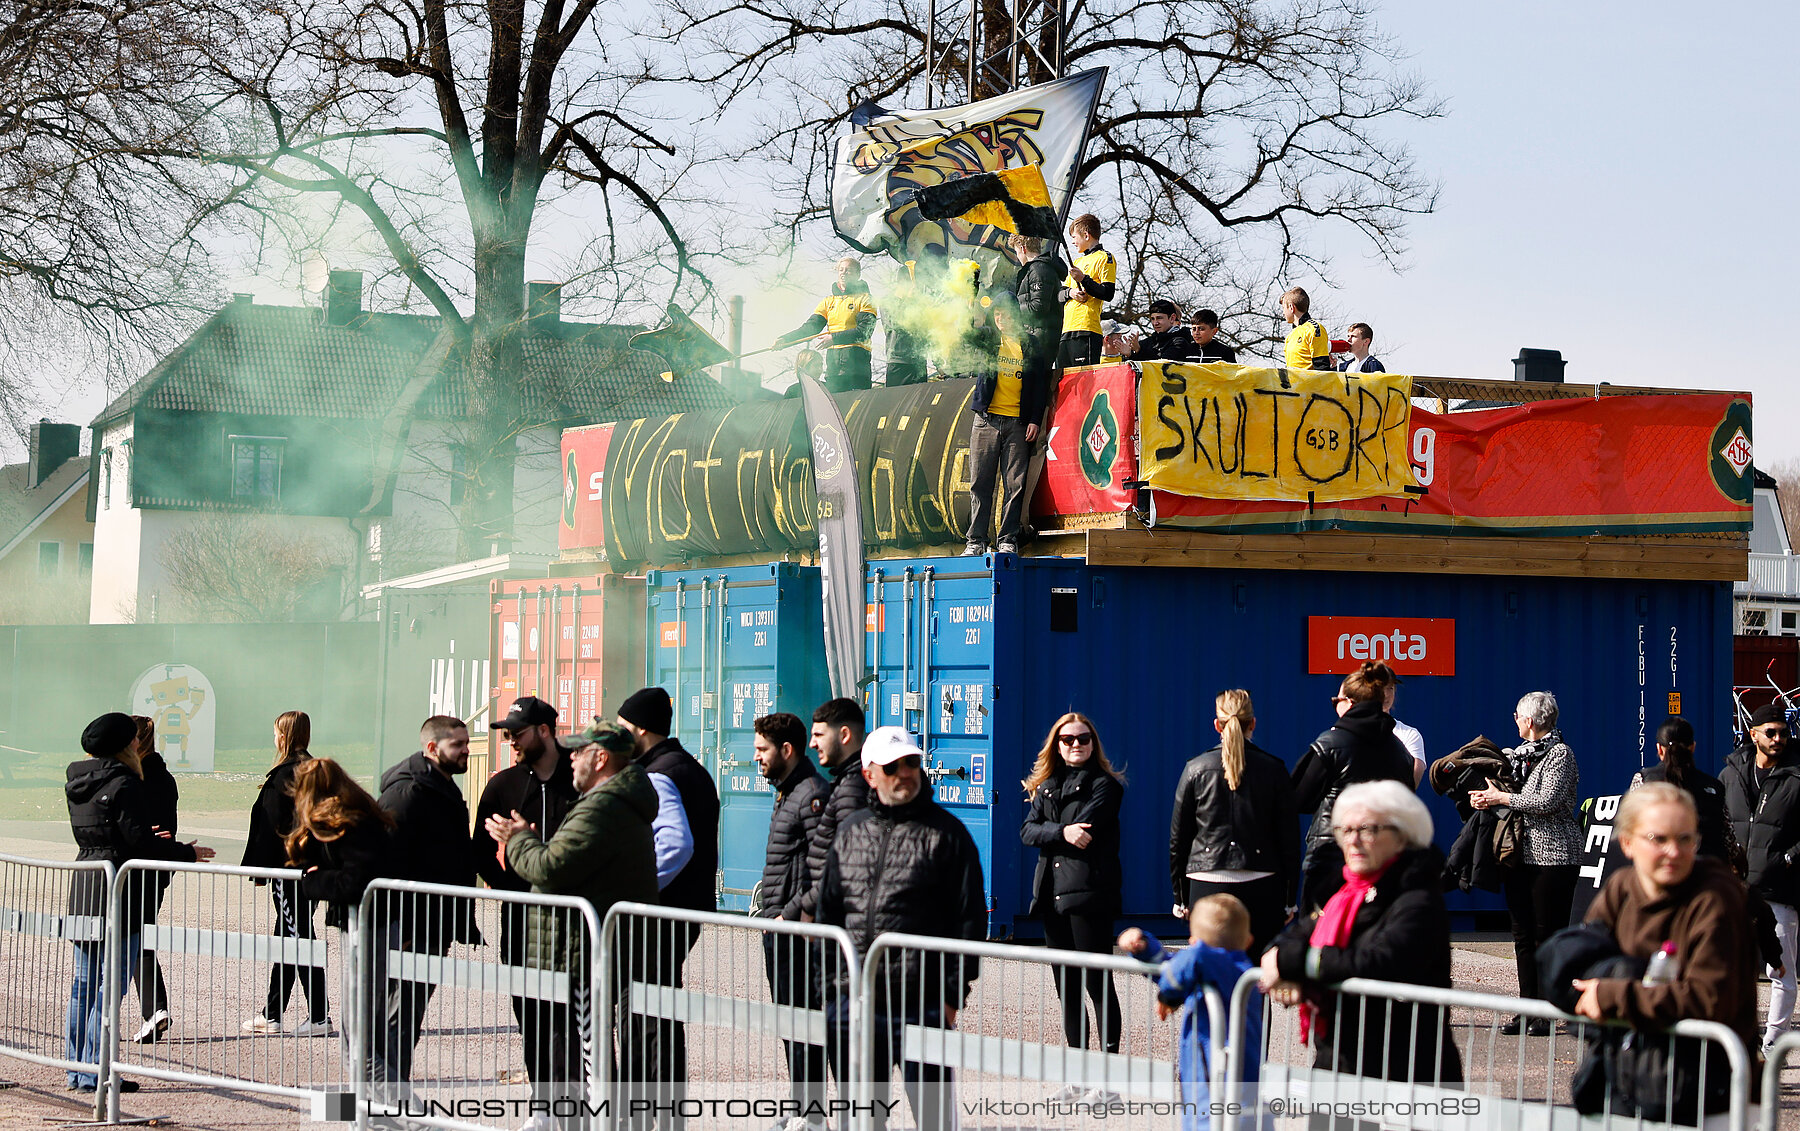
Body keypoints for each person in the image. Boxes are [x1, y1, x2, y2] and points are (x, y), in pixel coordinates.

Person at [486, 720, 659, 1126]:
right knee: (576, 1055)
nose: (572, 760)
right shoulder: (610, 801)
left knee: (587, 1060)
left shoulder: (604, 806)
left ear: (601, 759)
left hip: (584, 952)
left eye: (579, 753)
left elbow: (550, 867)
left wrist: (517, 839)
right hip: (582, 950)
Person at [816, 727, 986, 1131]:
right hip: (853, 1000)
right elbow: (828, 913)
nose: (904, 773)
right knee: (860, 1118)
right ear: (869, 773)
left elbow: (970, 921)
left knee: (934, 1119)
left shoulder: (949, 834)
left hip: (921, 1003)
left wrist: (950, 995)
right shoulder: (850, 830)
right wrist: (829, 988)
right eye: (891, 766)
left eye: (912, 762)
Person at [1259, 781, 1463, 1109]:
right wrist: (1280, 955)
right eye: (1345, 829)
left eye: (1367, 829)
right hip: (1341, 1061)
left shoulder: (1418, 899)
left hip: (1406, 1072)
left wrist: (1296, 963)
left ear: (1401, 835)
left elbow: (1379, 961)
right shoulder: (1341, 890)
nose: (1352, 840)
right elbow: (1297, 934)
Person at [1572, 783, 1760, 1113]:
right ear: (1627, 843)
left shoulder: (1716, 898)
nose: (1674, 852)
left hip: (1705, 1093)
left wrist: (1612, 996)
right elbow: (1577, 962)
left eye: (1685, 839)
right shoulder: (1621, 886)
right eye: (1659, 839)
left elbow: (1708, 998)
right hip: (1633, 1077)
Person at [64, 712, 213, 1092]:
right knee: (107, 989)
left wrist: (147, 836)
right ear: (125, 745)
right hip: (121, 893)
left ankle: (78, 1070)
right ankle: (98, 1074)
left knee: (83, 984)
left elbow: (111, 833)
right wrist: (183, 852)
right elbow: (139, 843)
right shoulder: (125, 785)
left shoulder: (78, 780)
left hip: (86, 886)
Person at [472, 696, 580, 1114]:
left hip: (575, 923)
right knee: (532, 1018)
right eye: (506, 734)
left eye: (516, 733)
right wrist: (507, 888)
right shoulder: (504, 785)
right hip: (520, 925)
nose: (510, 741)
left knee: (576, 1019)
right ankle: (543, 1104)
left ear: (545, 731)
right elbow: (479, 852)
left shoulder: (580, 775)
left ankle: (578, 1107)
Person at [615, 687, 718, 1122]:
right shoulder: (690, 768)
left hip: (657, 912)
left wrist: (635, 890)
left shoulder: (660, 774)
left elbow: (676, 845)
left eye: (623, 728)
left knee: (644, 1017)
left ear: (641, 728)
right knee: (657, 1013)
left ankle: (647, 1114)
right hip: (681, 908)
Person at [373, 715, 483, 1092]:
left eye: (467, 742)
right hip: (410, 925)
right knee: (397, 1014)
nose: (467, 750)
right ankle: (385, 1095)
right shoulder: (409, 793)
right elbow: (383, 857)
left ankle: (390, 1091)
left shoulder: (439, 786)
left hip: (431, 924)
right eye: (459, 745)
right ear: (433, 748)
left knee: (407, 1013)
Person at [1467, 690, 1581, 1034]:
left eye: (1517, 715)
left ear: (1530, 721)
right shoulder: (1515, 757)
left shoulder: (1560, 755)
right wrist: (1487, 798)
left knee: (1546, 935)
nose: (1514, 720)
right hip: (1518, 854)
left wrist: (1502, 797)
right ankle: (1525, 1007)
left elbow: (1545, 800)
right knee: (1521, 934)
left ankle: (1546, 1011)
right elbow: (1514, 798)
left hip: (1554, 856)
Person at [1019, 713, 1125, 1078]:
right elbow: (1027, 831)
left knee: (1097, 982)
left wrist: (1055, 832)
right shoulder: (1046, 786)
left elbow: (1089, 829)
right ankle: (1077, 1073)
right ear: (1057, 745)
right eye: (1068, 740)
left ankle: (1107, 1073)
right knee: (1067, 986)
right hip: (1051, 895)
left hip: (1088, 895)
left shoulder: (1106, 786)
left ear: (1094, 744)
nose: (1076, 745)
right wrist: (1062, 832)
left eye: (1083, 739)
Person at [1169, 690, 1301, 956]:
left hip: (1205, 877)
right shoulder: (1274, 769)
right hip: (1262, 880)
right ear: (1252, 723)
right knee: (1254, 977)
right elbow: (1289, 840)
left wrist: (1180, 897)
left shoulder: (1195, 768)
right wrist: (1289, 900)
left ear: (1217, 725)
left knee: (1208, 973)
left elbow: (1179, 839)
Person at [1118, 896, 1260, 1128]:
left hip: (1219, 1088)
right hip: (1211, 1081)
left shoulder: (1227, 968)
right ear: (1248, 941)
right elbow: (1172, 966)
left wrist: (1168, 995)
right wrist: (1144, 945)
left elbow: (1190, 961)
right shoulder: (1211, 968)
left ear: (1194, 941)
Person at [752, 712, 830, 1128]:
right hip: (780, 931)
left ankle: (813, 1113)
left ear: (787, 750)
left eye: (762, 750)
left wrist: (790, 914)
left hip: (798, 933)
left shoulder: (812, 794)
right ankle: (802, 1106)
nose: (756, 758)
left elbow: (826, 870)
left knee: (805, 1021)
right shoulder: (788, 793)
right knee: (790, 1020)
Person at [1290, 661, 1414, 913]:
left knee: (1318, 933)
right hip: (1381, 855)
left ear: (1350, 702)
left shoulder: (1331, 743)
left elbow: (1297, 798)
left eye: (1336, 700)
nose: (1335, 705)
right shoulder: (1399, 749)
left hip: (1331, 852)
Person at [241, 710, 331, 1036]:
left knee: (298, 938)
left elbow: (270, 825)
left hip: (291, 871)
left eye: (277, 732)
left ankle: (319, 1015)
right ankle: (273, 1012)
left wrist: (263, 868)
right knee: (289, 937)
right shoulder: (316, 770)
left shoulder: (286, 774)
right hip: (309, 869)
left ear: (285, 736)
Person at [1722, 702, 1800, 1052]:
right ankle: (1739, 1038)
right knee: (1732, 966)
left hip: (1779, 886)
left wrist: (1789, 858)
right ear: (1753, 734)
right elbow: (1720, 822)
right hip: (1736, 887)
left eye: (1783, 732)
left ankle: (1773, 1044)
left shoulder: (1798, 775)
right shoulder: (1731, 774)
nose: (1779, 738)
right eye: (1771, 732)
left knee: (1780, 969)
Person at [965, 297, 1047, 557]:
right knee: (980, 482)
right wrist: (969, 310)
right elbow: (967, 334)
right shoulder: (990, 338)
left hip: (1017, 425)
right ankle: (976, 540)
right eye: (997, 315)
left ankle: (1007, 538)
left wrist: (1034, 419)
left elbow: (1039, 386)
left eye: (1006, 315)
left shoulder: (1031, 344)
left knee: (1015, 484)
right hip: (986, 421)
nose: (1001, 319)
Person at [799, 698, 870, 923]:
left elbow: (844, 862)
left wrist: (808, 905)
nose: (812, 744)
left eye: (819, 735)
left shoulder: (852, 789)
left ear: (844, 735)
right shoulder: (847, 782)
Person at [130, 715, 177, 1043]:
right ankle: (152, 1010)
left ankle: (154, 1009)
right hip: (157, 867)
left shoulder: (135, 777)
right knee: (137, 935)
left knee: (132, 938)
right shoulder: (164, 777)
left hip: (134, 866)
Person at [1630, 716, 1730, 860]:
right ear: (1693, 747)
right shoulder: (1714, 786)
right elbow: (1728, 836)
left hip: (1659, 866)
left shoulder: (1644, 780)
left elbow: (1632, 825)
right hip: (1706, 871)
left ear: (1659, 749)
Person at [774, 257, 878, 393]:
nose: (843, 273)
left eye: (848, 270)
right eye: (841, 270)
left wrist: (834, 338)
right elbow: (810, 328)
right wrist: (786, 340)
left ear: (858, 275)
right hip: (833, 368)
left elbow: (864, 332)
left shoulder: (866, 299)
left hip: (858, 369)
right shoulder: (828, 302)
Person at [1057, 214, 1115, 368]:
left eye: (1074, 237)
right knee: (1063, 383)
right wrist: (1071, 293)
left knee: (1083, 384)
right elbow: (1060, 294)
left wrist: (1084, 279)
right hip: (1066, 330)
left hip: (1087, 330)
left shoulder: (1105, 257)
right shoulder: (1077, 262)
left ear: (1086, 235)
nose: (1073, 241)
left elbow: (1108, 293)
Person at [1384, 680, 1426, 788]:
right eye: (1379, 688)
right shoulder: (1344, 732)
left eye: (1390, 688)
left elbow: (1410, 786)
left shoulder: (1410, 734)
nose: (1386, 694)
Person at [1122, 300, 1194, 362]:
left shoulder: (1180, 342)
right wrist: (1129, 354)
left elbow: (1163, 366)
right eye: (1153, 319)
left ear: (1172, 318)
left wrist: (1139, 350)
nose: (1155, 323)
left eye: (1159, 318)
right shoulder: (1146, 343)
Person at [1279, 287, 1330, 372]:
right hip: (1293, 384)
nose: (1283, 312)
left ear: (1291, 307)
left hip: (1310, 385)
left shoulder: (1314, 328)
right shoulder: (1290, 336)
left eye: (1284, 308)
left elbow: (1322, 368)